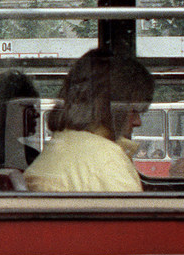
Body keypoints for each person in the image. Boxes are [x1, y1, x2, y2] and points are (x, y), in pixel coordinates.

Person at [25, 48, 154, 192]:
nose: (138, 122)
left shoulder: (61, 146)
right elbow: (134, 212)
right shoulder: (106, 161)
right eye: (134, 111)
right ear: (110, 108)